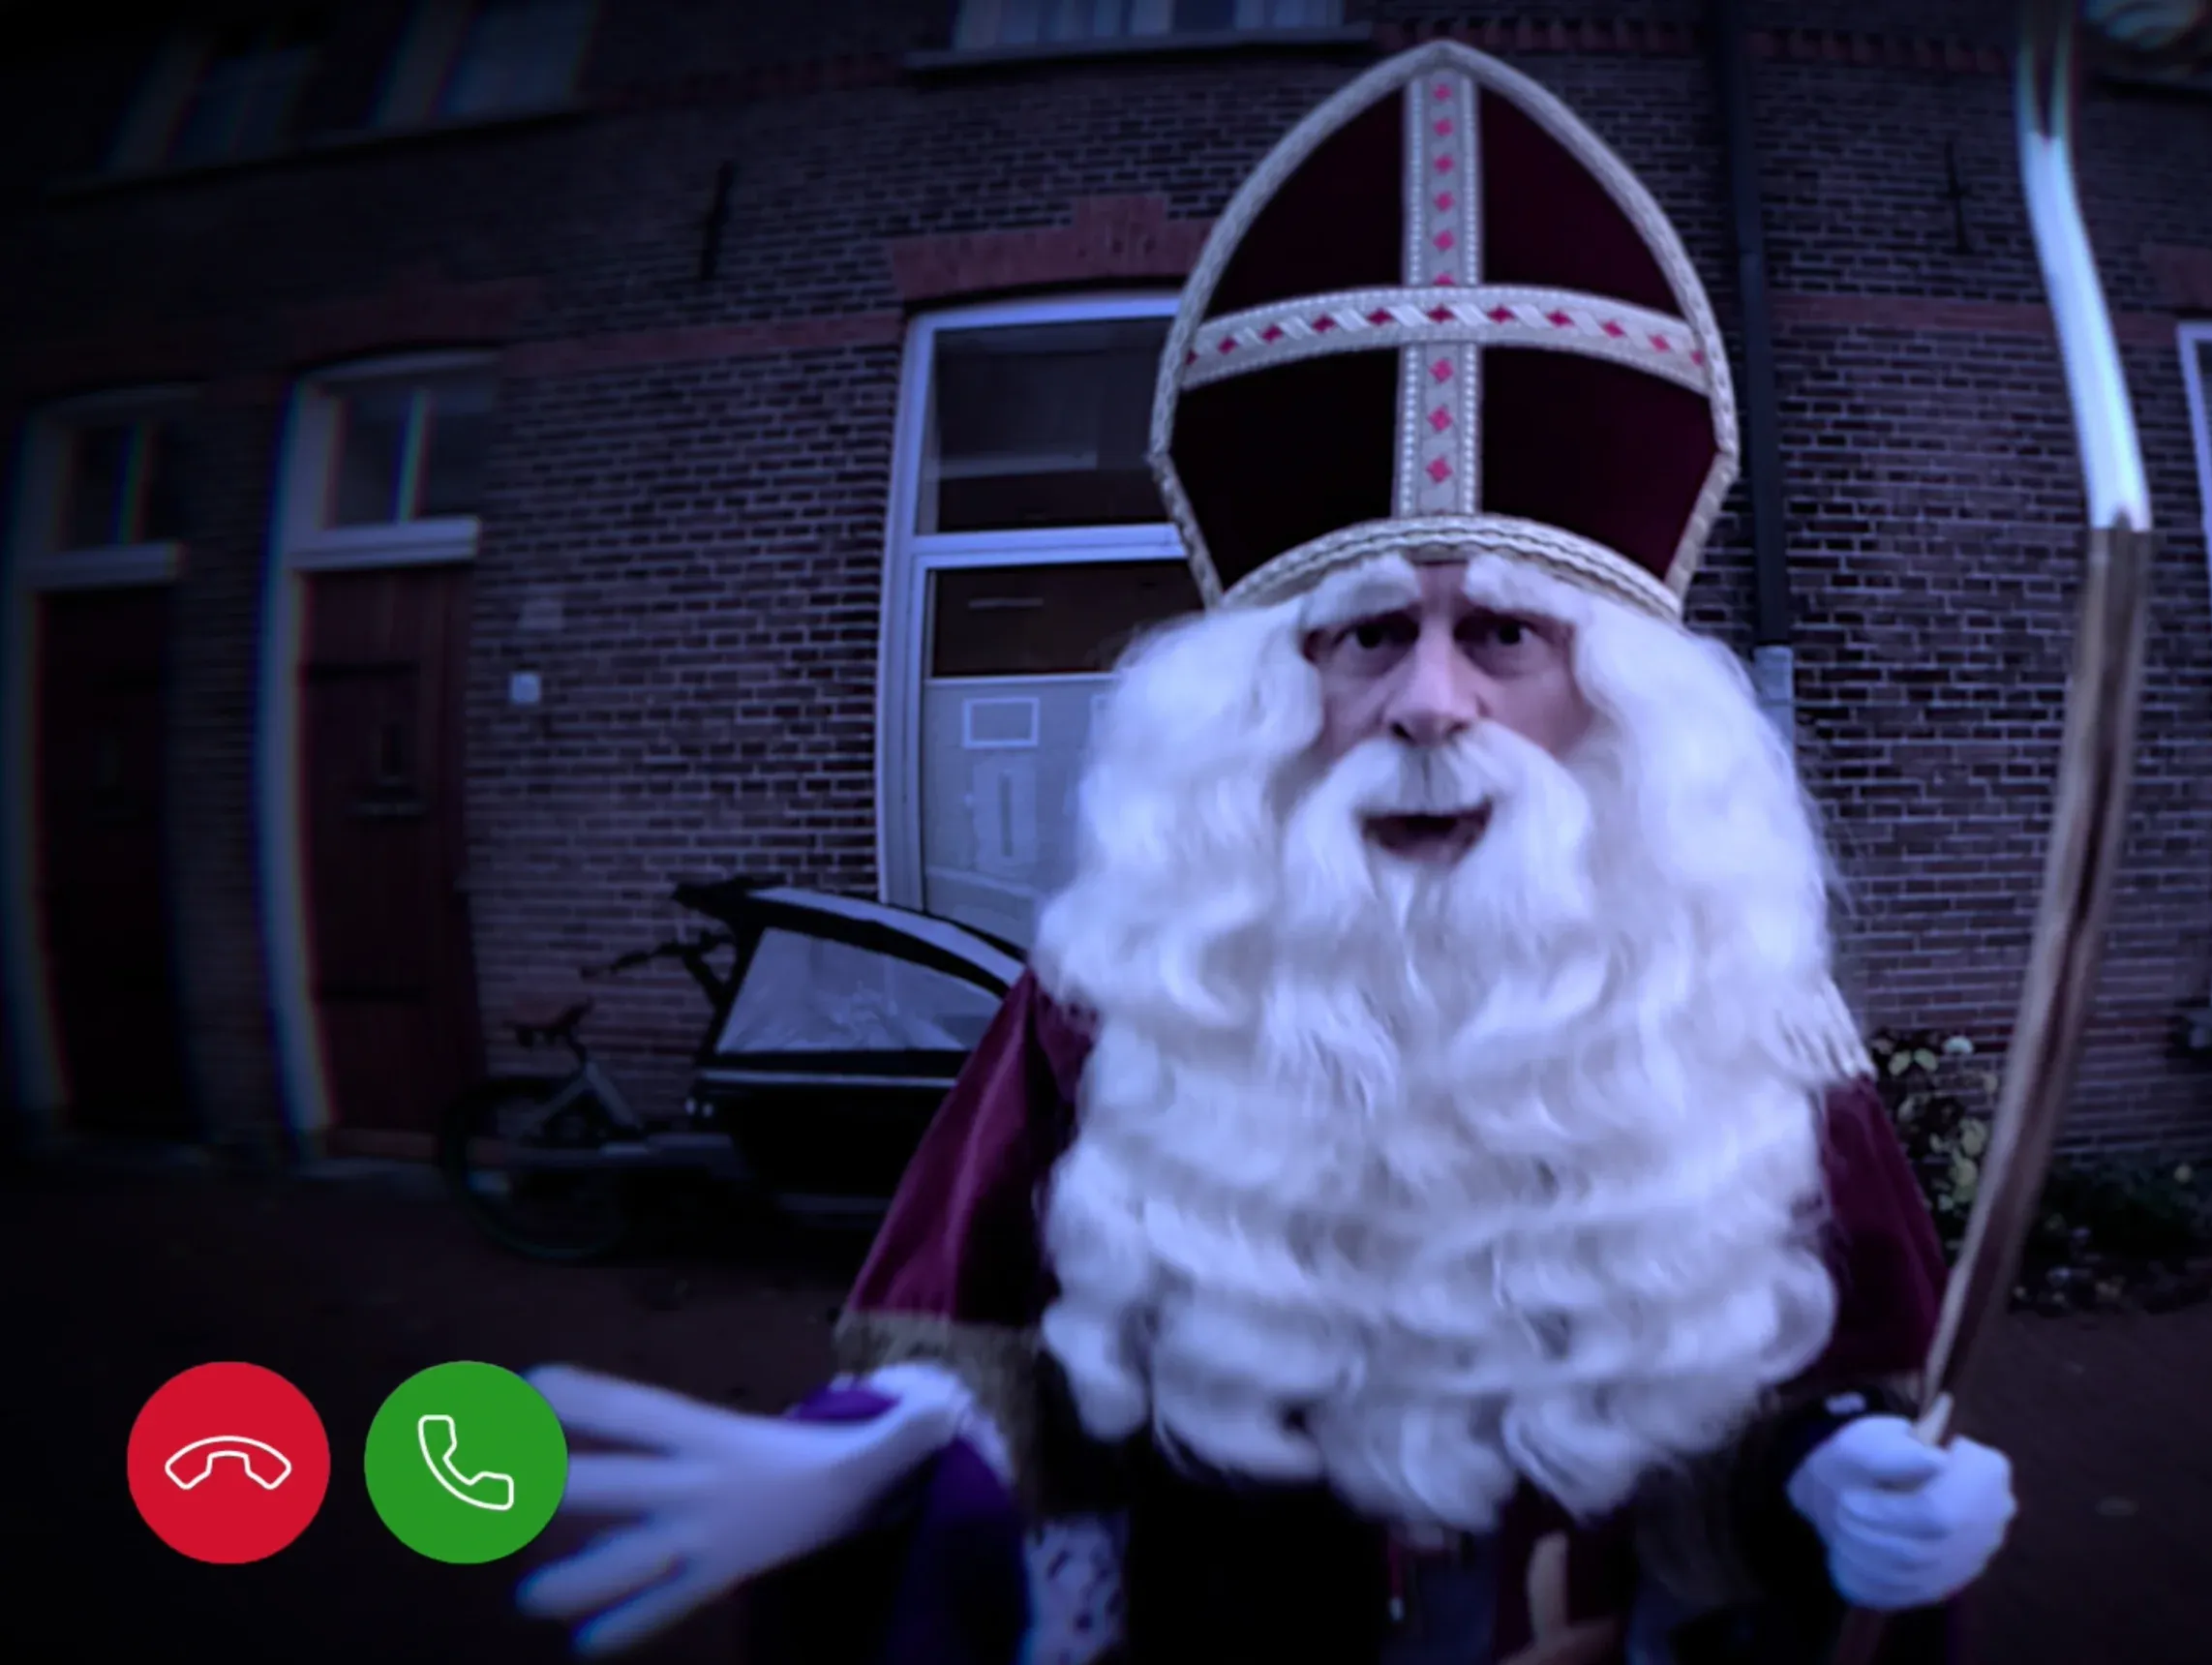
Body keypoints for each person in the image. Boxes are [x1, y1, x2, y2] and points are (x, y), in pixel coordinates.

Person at [515, 40, 2016, 1665]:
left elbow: (1826, 1378)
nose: (1428, 702)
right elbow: (988, 1334)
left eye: (1502, 631)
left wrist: (1844, 1474)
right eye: (1366, 635)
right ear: (1260, 700)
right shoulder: (1119, 1002)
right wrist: (887, 1460)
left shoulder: (1746, 1016)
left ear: (1620, 706)